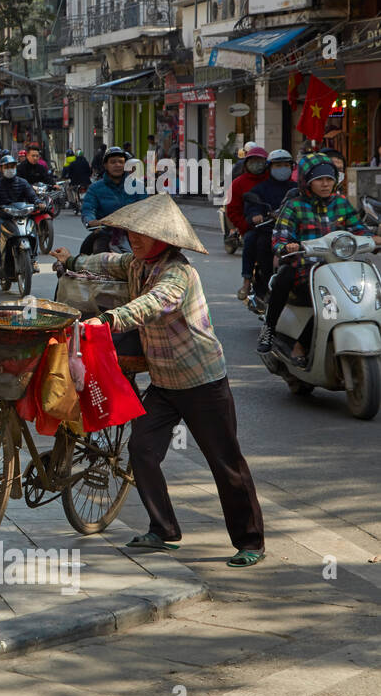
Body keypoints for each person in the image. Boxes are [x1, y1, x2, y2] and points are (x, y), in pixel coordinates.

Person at [51, 195, 266, 568]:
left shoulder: (177, 274)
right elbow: (108, 262)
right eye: (132, 232)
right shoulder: (137, 263)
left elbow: (152, 304)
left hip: (202, 381)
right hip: (164, 383)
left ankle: (250, 541)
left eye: (143, 234)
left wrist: (108, 320)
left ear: (164, 240)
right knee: (142, 450)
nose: (134, 238)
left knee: (225, 461)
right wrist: (71, 260)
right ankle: (163, 529)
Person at [260, 154, 374, 365]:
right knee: (318, 297)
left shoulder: (341, 203)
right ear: (306, 181)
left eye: (329, 179)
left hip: (340, 270)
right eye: (319, 179)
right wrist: (287, 246)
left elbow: (359, 230)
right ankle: (274, 331)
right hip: (306, 271)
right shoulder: (294, 206)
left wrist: (371, 239)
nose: (325, 184)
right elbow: (279, 237)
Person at [242, 149, 296, 309]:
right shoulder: (260, 189)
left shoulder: (297, 189)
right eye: (278, 165)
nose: (282, 168)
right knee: (258, 244)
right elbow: (252, 208)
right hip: (269, 231)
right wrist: (256, 215)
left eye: (285, 165)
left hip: (293, 231)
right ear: (270, 168)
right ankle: (264, 285)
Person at [227, 145, 269, 302]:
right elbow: (232, 210)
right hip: (253, 228)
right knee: (251, 241)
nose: (257, 164)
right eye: (253, 161)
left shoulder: (273, 180)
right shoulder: (239, 183)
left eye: (260, 161)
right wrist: (245, 225)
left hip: (277, 227)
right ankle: (247, 281)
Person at [0, 154, 38, 269]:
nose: (10, 169)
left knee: (32, 233)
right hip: (2, 217)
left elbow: (32, 197)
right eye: (7, 167)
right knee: (4, 236)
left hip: (21, 216)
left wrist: (39, 203)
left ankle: (33, 259)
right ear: (1, 169)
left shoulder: (23, 182)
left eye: (12, 166)